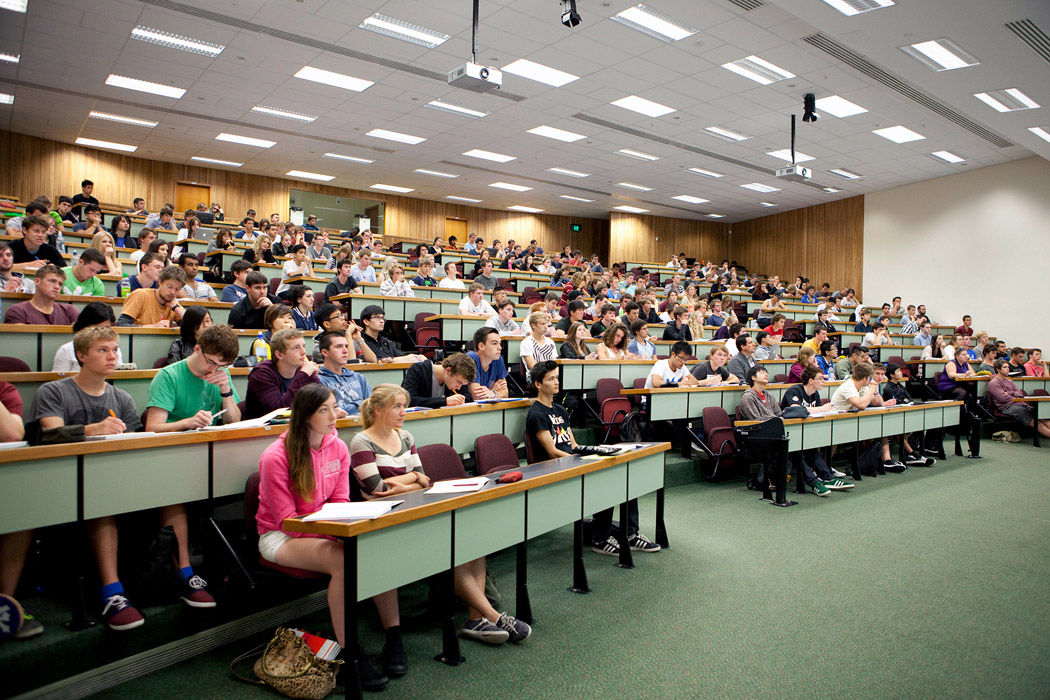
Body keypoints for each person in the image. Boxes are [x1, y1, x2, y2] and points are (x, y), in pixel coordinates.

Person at [32, 326, 211, 632]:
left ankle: (185, 574)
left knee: (172, 494)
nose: (112, 356)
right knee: (103, 502)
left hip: (120, 478)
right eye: (103, 350)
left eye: (115, 349)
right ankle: (112, 594)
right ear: (81, 356)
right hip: (69, 486)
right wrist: (92, 430)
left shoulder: (121, 396)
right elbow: (48, 435)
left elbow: (132, 444)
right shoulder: (54, 391)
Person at [351, 384, 530, 647]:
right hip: (387, 519)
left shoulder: (406, 437)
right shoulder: (361, 441)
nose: (403, 412)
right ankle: (493, 617)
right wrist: (413, 478)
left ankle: (474, 619)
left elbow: (426, 481)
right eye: (397, 406)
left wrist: (409, 480)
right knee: (448, 548)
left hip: (420, 506)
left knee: (474, 540)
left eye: (404, 406)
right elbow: (378, 489)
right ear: (378, 410)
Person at [254, 384, 390, 688]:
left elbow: (340, 501)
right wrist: (334, 535)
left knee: (374, 546)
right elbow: (287, 521)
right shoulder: (275, 456)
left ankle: (392, 637)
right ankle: (350, 654)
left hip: (323, 528)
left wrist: (339, 528)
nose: (334, 415)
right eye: (324, 410)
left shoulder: (337, 446)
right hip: (280, 537)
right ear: (305, 416)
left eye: (334, 406)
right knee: (343, 560)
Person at [779, 367, 854, 496]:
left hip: (805, 432)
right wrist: (822, 409)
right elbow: (797, 410)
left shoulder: (815, 394)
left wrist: (822, 409)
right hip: (786, 434)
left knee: (811, 450)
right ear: (811, 380)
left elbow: (814, 413)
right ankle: (815, 483)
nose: (823, 381)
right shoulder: (794, 391)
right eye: (820, 379)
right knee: (797, 451)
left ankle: (827, 478)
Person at [244, 328, 325, 419]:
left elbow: (323, 398)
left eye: (304, 346)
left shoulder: (303, 370)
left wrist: (333, 409)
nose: (304, 352)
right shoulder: (261, 374)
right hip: (262, 430)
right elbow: (279, 410)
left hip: (296, 427)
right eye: (296, 348)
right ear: (279, 354)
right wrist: (303, 374)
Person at [988, 359, 1050, 439]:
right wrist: (1014, 393)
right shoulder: (994, 383)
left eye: (1008, 367)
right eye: (1005, 367)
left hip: (1020, 404)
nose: (1008, 369)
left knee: (1043, 417)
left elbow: (1020, 393)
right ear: (998, 369)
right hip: (1007, 407)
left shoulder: (1009, 381)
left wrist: (1009, 393)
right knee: (1037, 423)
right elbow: (1003, 398)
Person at [315, 331, 372, 415]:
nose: (345, 351)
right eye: (338, 347)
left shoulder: (358, 377)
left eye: (346, 346)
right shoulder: (318, 380)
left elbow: (371, 406)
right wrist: (360, 404)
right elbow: (329, 412)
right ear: (325, 352)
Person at [3, 265, 79, 324]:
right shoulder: (17, 311)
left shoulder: (69, 311)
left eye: (60, 284)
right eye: (52, 281)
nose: (57, 287)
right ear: (37, 282)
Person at [117, 265, 186, 327]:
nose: (172, 292)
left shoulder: (173, 305)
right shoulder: (140, 295)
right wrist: (153, 327)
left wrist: (176, 309)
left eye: (177, 289)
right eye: (169, 287)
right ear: (160, 282)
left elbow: (193, 326)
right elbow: (121, 324)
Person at [401, 353, 474, 408]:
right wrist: (445, 401)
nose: (459, 387)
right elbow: (409, 400)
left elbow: (468, 398)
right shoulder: (418, 370)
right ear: (448, 371)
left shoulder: (455, 378)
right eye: (459, 382)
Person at [359, 305, 425, 363]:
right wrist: (392, 360)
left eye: (382, 318)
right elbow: (362, 360)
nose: (382, 321)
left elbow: (400, 356)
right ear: (366, 321)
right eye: (377, 318)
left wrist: (416, 357)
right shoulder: (359, 340)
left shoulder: (386, 342)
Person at [466, 327, 510, 400]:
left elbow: (506, 393)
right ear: (481, 346)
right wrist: (493, 390)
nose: (500, 348)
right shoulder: (471, 358)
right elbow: (477, 396)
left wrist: (493, 393)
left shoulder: (497, 358)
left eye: (500, 344)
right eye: (494, 343)